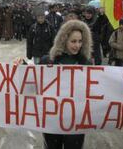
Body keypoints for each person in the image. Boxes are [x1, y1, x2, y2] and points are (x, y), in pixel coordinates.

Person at [39, 20, 93, 149]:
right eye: (73, 41)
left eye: (80, 41)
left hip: (76, 119)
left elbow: (98, 88)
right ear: (63, 40)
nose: (77, 45)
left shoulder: (86, 63)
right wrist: (21, 68)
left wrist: (122, 81)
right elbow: (31, 83)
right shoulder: (48, 61)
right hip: (52, 118)